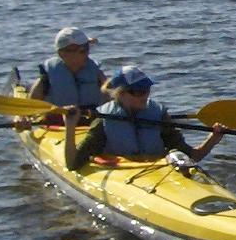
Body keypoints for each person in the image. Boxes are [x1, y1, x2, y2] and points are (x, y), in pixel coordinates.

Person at [63, 65, 227, 171]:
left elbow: (192, 156)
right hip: (123, 174)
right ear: (121, 94)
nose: (145, 96)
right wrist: (70, 127)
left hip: (158, 172)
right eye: (138, 91)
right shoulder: (103, 121)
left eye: (147, 90)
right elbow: (73, 164)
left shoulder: (158, 114)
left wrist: (213, 139)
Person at [30, 26, 108, 108]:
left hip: (92, 117)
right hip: (59, 117)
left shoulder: (96, 71)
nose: (87, 54)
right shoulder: (47, 77)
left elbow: (110, 93)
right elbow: (32, 105)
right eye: (82, 51)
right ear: (62, 54)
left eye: (87, 48)